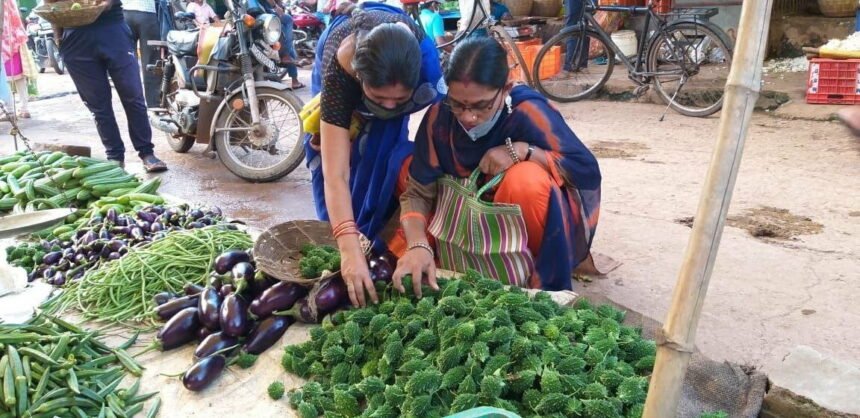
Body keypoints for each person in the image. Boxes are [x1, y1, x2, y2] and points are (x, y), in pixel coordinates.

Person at [394, 37, 601, 293]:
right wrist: (417, 243)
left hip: (513, 218)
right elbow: (417, 191)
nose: (469, 117)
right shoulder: (439, 117)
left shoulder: (528, 112)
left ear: (506, 89)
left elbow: (584, 170)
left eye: (481, 106)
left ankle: (531, 271)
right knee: (406, 168)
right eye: (458, 104)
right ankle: (433, 255)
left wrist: (523, 151)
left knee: (527, 181)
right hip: (461, 213)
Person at [303, 2, 444, 307]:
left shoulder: (425, 65)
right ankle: (349, 249)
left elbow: (442, 129)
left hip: (391, 72)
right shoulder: (340, 68)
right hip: (346, 82)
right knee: (334, 159)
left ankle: (374, 243)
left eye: (400, 99)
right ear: (359, 77)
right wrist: (346, 245)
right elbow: (335, 173)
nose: (389, 106)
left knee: (386, 158)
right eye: (379, 98)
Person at [57, 0, 168, 171]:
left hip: (113, 30)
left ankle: (146, 152)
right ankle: (115, 157)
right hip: (74, 40)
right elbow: (51, 6)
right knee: (98, 105)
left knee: (133, 96)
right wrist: (59, 39)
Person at [123, 0, 160, 107]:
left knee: (128, 63)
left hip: (125, 13)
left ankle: (134, 105)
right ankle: (154, 105)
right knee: (151, 63)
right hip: (148, 13)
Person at [1, 0, 35, 120]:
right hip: (15, 38)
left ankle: (10, 111)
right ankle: (24, 108)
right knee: (19, 77)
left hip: (4, 41)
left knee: (4, 79)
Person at [262, 0, 305, 89]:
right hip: (263, 14)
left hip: (253, 13)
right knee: (288, 20)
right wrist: (275, 6)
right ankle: (285, 55)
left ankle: (286, 54)